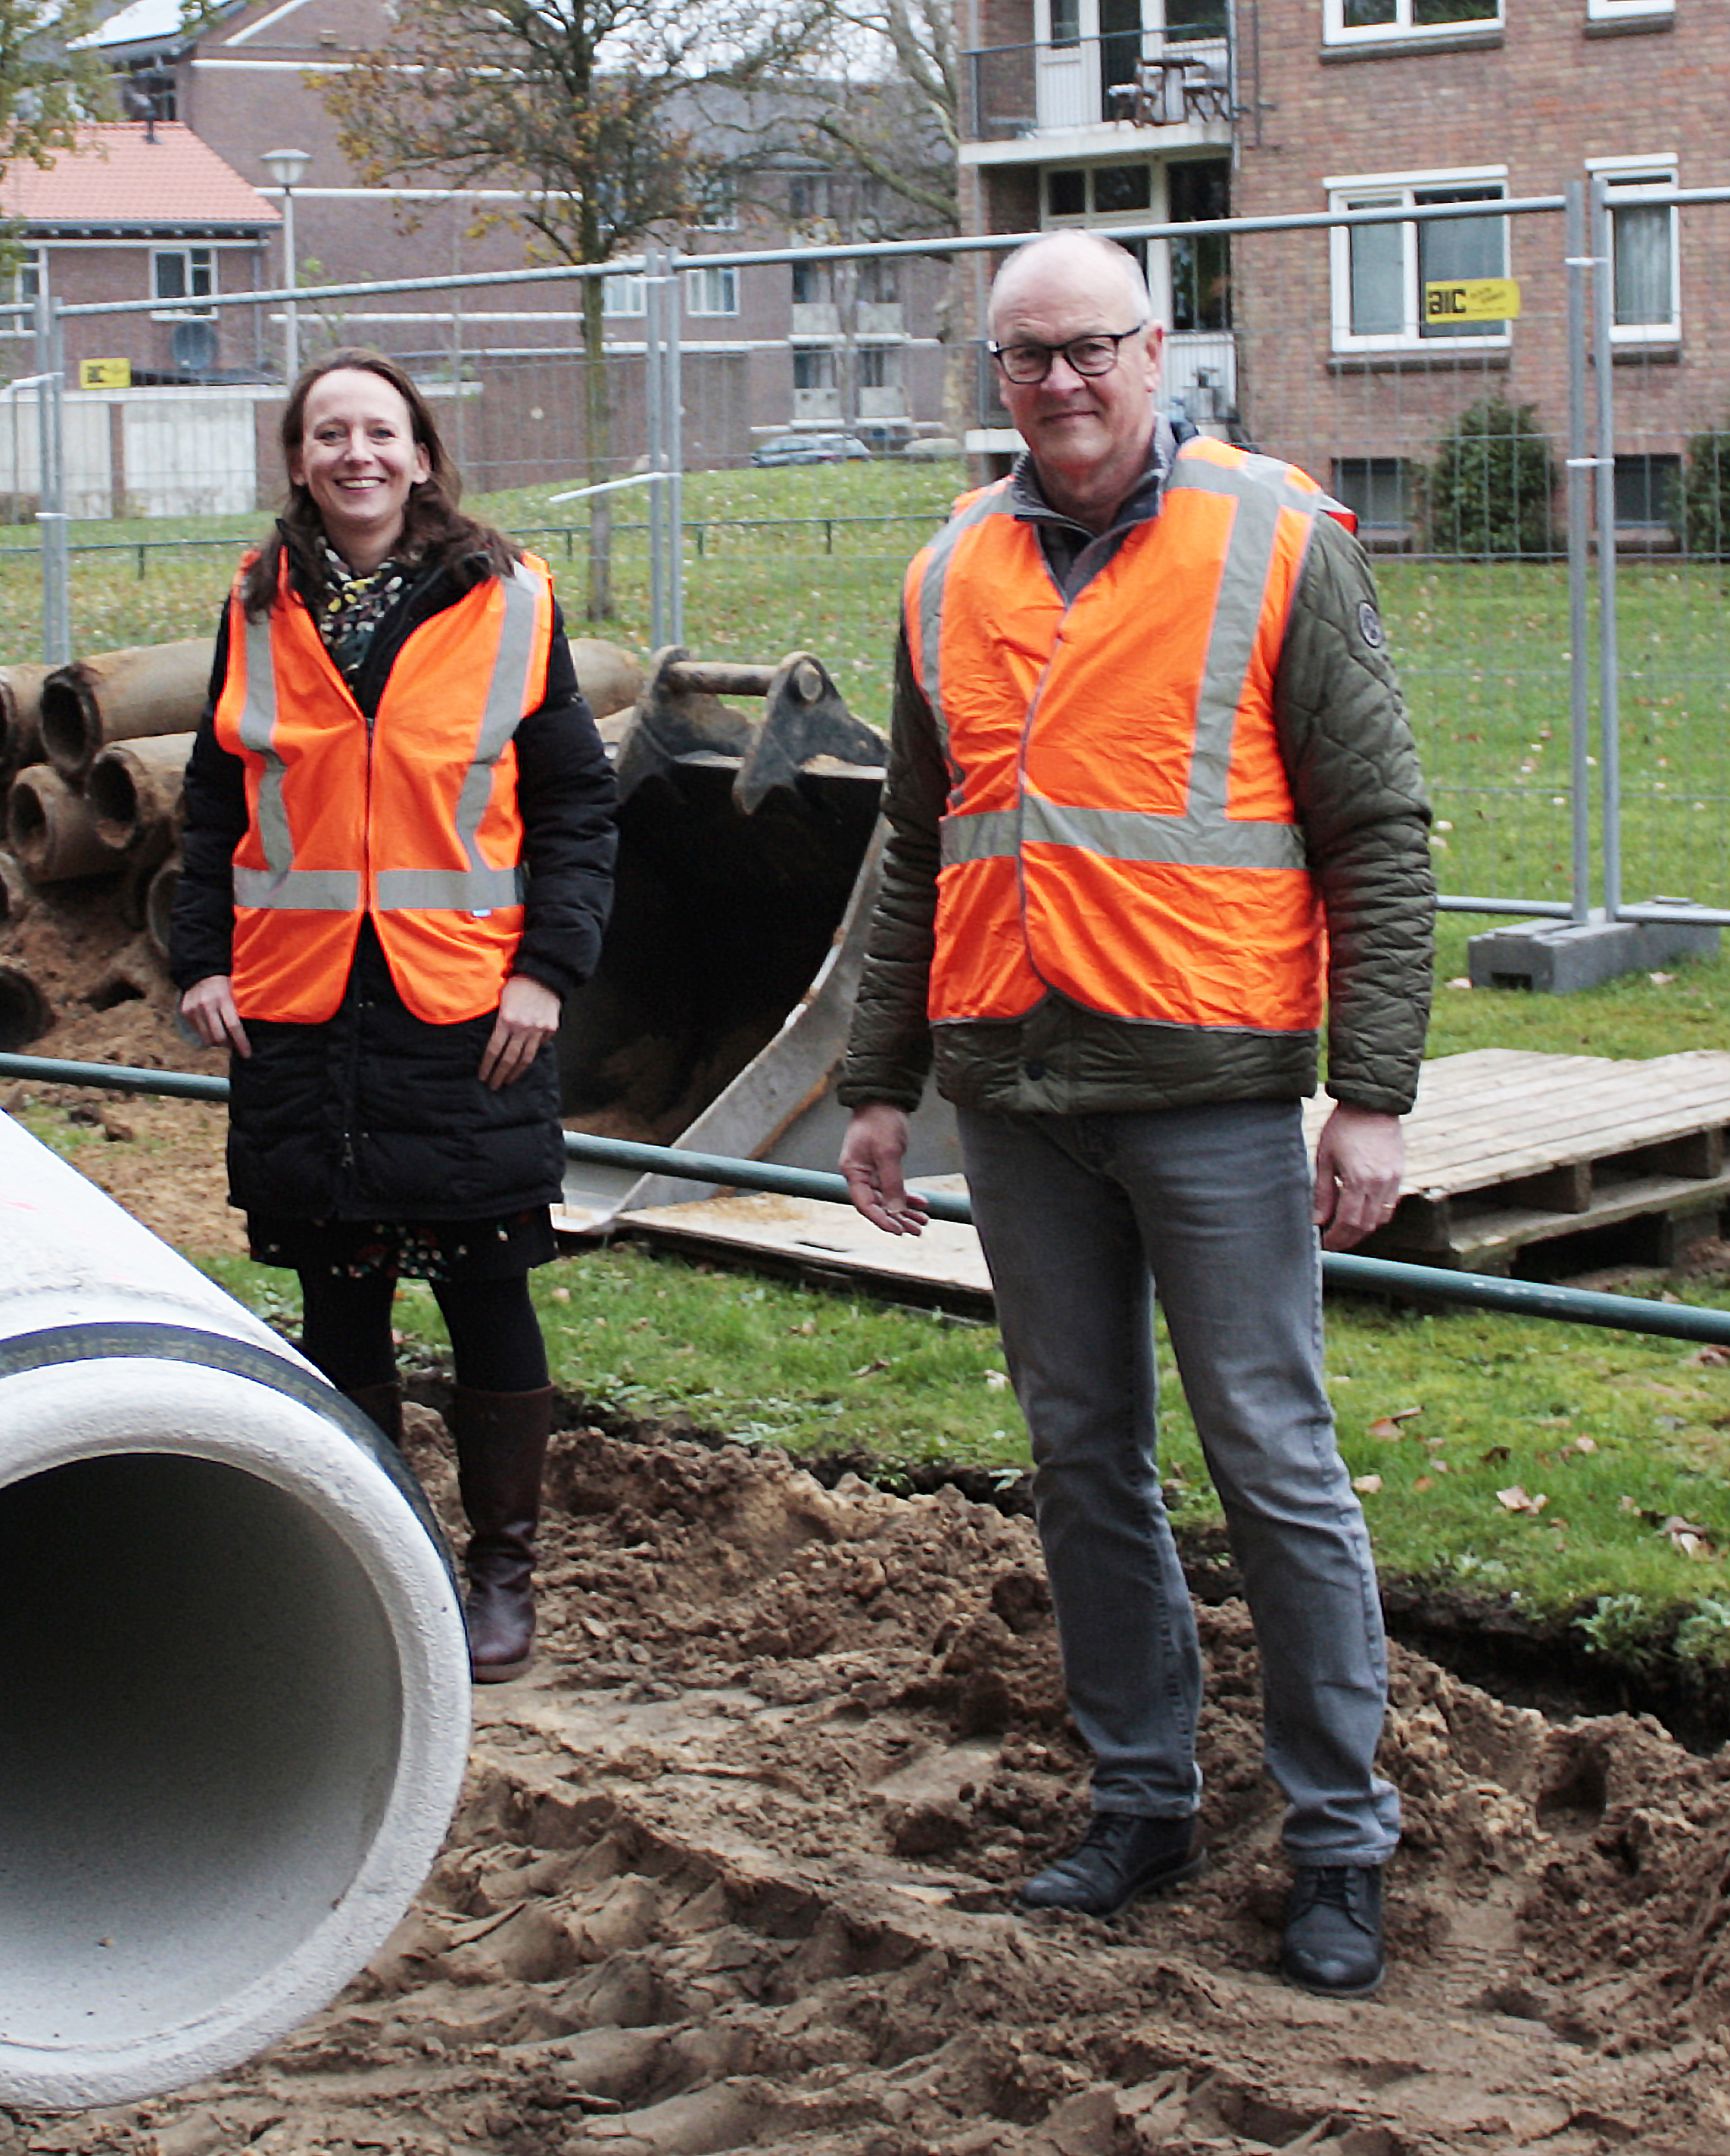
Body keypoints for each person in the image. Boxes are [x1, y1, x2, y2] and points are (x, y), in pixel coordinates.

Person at [834, 230, 1432, 1999]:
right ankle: (1142, 1795)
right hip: (1013, 1091)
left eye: (1091, 347)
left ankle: (1336, 1836)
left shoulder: (1271, 538)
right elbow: (912, 847)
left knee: (1272, 1456)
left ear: (1156, 348)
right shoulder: (949, 566)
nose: (1061, 382)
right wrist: (877, 1078)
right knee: (1082, 1454)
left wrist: (1371, 1094)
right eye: (1025, 356)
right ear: (995, 374)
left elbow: (1378, 829)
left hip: (1211, 1088)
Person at [172, 348, 616, 1685]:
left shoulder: (508, 597)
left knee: (486, 1282)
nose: (355, 454)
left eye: (380, 431)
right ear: (297, 460)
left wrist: (549, 968)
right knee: (338, 1289)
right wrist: (201, 957)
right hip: (300, 1009)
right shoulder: (254, 605)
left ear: (421, 453)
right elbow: (211, 804)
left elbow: (577, 808)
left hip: (464, 1004)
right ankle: (395, 1545)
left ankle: (502, 1567)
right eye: (327, 434)